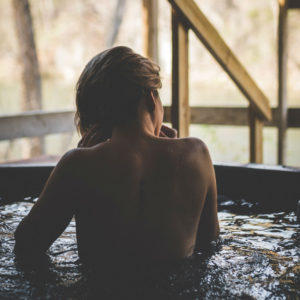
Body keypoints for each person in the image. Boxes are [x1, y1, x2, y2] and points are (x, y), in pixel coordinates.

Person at [14, 46, 219, 269]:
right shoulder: (196, 154)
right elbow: (210, 243)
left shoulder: (78, 164)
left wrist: (84, 155)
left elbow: (27, 244)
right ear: (151, 98)